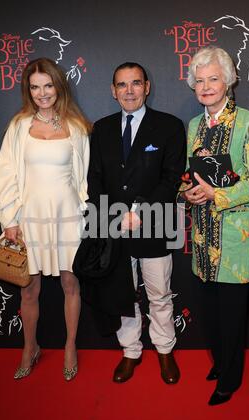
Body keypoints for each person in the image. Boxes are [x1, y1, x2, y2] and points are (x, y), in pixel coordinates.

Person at [0, 57, 91, 381]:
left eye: (48, 85)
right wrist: (9, 219)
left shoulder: (76, 127)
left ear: (58, 86)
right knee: (28, 290)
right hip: (29, 219)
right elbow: (5, 174)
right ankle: (29, 347)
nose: (42, 93)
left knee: (70, 284)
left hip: (68, 217)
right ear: (28, 91)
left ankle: (70, 346)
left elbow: (85, 178)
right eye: (35, 87)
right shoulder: (19, 126)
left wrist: (86, 218)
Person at [179, 46, 249, 405]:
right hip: (202, 238)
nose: (206, 86)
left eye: (213, 79)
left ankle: (229, 379)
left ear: (228, 80)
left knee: (233, 315)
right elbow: (189, 176)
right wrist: (187, 191)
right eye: (199, 80)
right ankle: (220, 362)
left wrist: (218, 195)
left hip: (236, 239)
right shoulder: (193, 125)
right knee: (210, 312)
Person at [88, 62, 186, 384]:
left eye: (135, 84)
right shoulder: (101, 129)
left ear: (147, 86)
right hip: (115, 226)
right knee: (122, 293)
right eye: (121, 85)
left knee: (159, 293)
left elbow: (172, 178)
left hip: (155, 222)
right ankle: (130, 351)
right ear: (113, 91)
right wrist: (116, 215)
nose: (129, 91)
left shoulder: (169, 126)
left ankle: (164, 349)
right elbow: (95, 179)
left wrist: (140, 211)